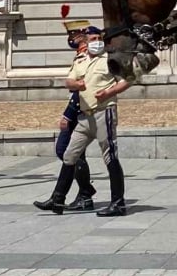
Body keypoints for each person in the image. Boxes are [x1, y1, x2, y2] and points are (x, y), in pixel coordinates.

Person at [33, 23, 132, 215]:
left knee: (110, 156)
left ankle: (118, 203)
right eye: (92, 40)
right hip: (85, 117)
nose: (96, 43)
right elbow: (68, 81)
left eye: (98, 39)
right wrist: (75, 83)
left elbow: (127, 79)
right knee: (70, 155)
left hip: (105, 112)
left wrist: (109, 92)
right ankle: (58, 199)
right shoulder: (81, 60)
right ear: (86, 42)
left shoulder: (111, 59)